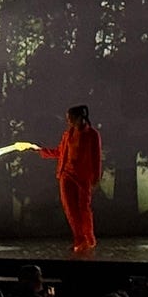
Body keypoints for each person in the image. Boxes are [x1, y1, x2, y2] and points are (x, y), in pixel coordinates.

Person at [35, 104, 103, 253]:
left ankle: (89, 238)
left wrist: (96, 177)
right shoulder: (68, 134)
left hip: (83, 176)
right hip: (66, 174)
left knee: (83, 208)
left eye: (70, 118)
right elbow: (60, 152)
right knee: (70, 209)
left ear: (79, 118)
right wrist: (42, 151)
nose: (68, 121)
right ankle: (79, 239)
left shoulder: (92, 134)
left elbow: (96, 157)